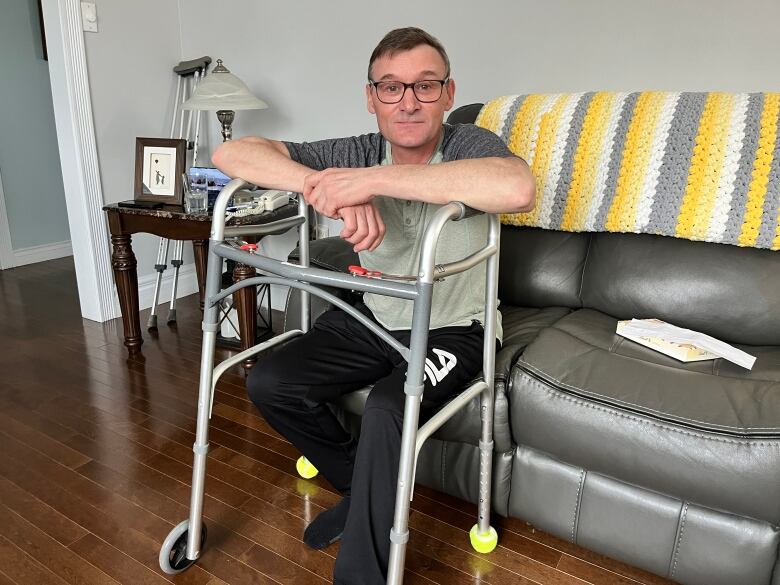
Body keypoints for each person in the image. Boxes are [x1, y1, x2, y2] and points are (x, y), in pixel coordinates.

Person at [212, 26, 535, 585]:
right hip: (376, 316)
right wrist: (326, 185)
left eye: (425, 86)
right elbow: (231, 152)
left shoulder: (468, 144)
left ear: (449, 93)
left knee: (390, 407)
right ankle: (363, 490)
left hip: (455, 328)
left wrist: (368, 181)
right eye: (391, 87)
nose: (408, 101)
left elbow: (517, 188)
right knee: (269, 382)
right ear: (371, 97)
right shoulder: (354, 149)